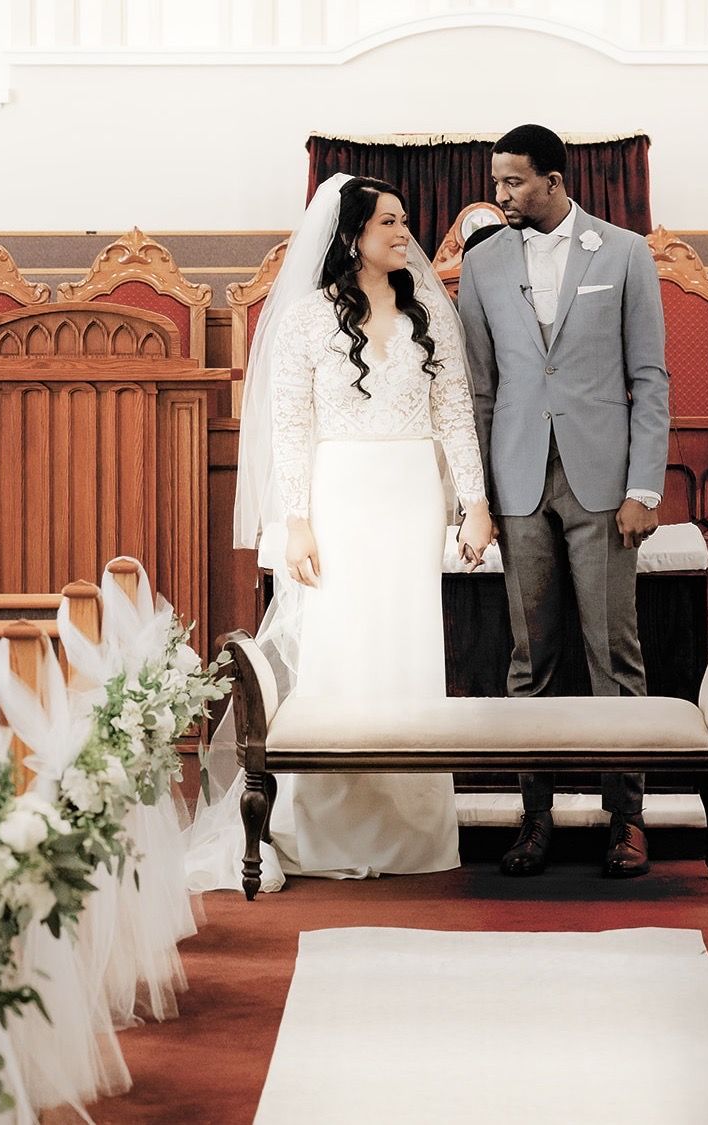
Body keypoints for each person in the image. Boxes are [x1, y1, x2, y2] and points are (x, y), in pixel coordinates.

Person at [187, 175, 494, 888]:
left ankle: (409, 825)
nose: (403, 233)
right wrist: (296, 522)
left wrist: (472, 505)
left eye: (403, 220)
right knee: (341, 647)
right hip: (341, 497)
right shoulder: (305, 320)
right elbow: (292, 429)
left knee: (407, 645)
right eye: (388, 221)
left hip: (413, 494)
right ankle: (326, 820)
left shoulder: (431, 314)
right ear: (351, 234)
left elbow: (455, 414)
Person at [458, 124, 670, 878]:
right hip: (517, 481)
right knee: (529, 657)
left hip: (605, 485)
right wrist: (473, 496)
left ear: (554, 180)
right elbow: (479, 388)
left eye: (513, 181)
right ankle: (535, 817)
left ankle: (628, 818)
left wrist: (644, 485)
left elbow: (649, 378)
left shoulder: (624, 252)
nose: (501, 194)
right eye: (497, 180)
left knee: (614, 654)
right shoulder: (481, 265)